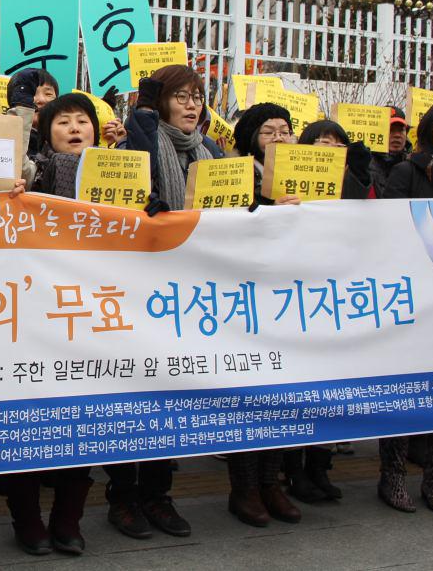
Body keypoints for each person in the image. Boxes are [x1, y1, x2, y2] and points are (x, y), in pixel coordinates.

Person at [103, 65, 219, 539]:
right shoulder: (135, 147)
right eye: (181, 96)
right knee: (133, 399)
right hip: (137, 293)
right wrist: (144, 117)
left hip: (189, 295)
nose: (191, 105)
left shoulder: (212, 152)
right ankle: (123, 495)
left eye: (197, 97)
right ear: (162, 102)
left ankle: (157, 494)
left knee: (172, 398)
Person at [0, 93, 100, 556]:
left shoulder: (121, 176)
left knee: (85, 423)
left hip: (93, 317)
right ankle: (27, 521)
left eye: (83, 121)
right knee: (29, 424)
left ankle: (68, 519)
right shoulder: (28, 173)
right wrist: (11, 197)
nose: (75, 129)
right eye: (64, 122)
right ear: (46, 131)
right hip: (34, 318)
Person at [220, 102, 307, 526]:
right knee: (248, 395)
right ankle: (245, 488)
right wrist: (268, 208)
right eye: (268, 131)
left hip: (288, 296)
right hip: (243, 298)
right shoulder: (234, 174)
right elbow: (222, 226)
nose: (279, 137)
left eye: (285, 130)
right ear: (251, 136)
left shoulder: (305, 174)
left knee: (280, 395)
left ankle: (272, 483)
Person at [378, 98, 433, 514]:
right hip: (414, 299)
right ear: (429, 129)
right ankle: (392, 477)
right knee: (406, 393)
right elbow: (388, 229)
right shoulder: (409, 171)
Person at [369, 105, 411, 196]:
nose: (397, 135)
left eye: (401, 130)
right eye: (391, 130)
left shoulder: (414, 165)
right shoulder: (364, 165)